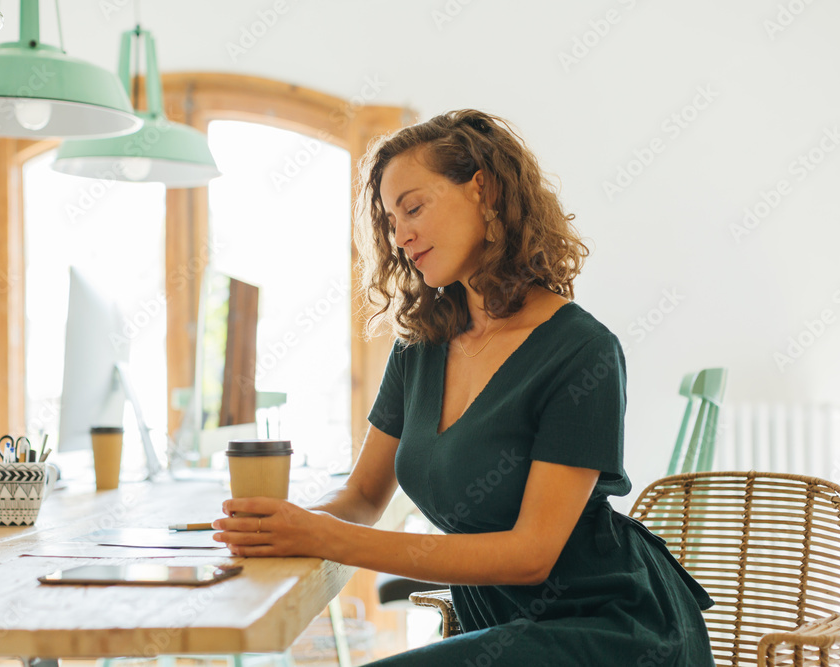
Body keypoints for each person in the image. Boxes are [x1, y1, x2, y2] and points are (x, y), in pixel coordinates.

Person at [213, 109, 715, 666]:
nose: (400, 236)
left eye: (413, 208)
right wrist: (283, 524)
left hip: (612, 629)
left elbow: (531, 555)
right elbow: (361, 498)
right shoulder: (419, 347)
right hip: (501, 633)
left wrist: (324, 538)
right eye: (390, 220)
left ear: (485, 191)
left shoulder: (581, 351)